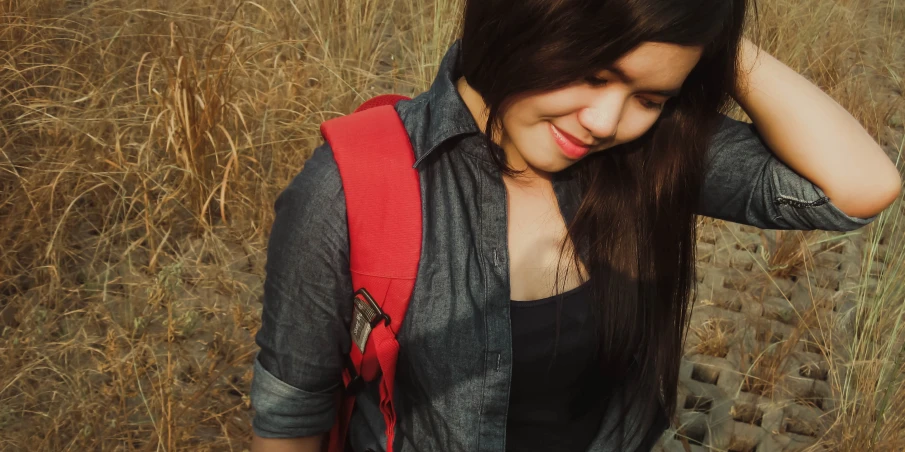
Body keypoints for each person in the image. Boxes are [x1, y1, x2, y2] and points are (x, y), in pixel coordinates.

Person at [249, 0, 902, 451]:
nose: (603, 122)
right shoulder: (350, 187)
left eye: (649, 97)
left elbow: (858, 187)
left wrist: (710, 26)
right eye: (593, 73)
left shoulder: (642, 157)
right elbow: (292, 412)